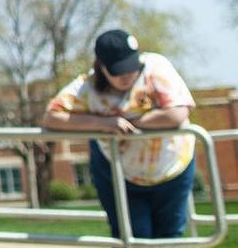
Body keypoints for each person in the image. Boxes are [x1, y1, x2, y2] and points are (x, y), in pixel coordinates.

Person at [41, 29, 196, 239]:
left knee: (169, 236)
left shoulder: (156, 68)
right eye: (118, 70)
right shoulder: (87, 87)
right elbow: (51, 117)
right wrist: (103, 123)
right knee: (133, 235)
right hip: (120, 172)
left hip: (172, 167)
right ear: (101, 67)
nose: (127, 75)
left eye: (131, 67)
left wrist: (132, 123)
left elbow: (177, 114)